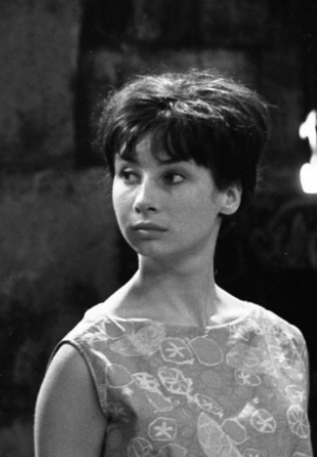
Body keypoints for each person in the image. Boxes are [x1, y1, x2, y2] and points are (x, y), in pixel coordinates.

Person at [34, 70, 312, 457]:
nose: (142, 198)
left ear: (229, 194)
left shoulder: (280, 343)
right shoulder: (90, 359)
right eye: (129, 174)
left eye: (173, 176)